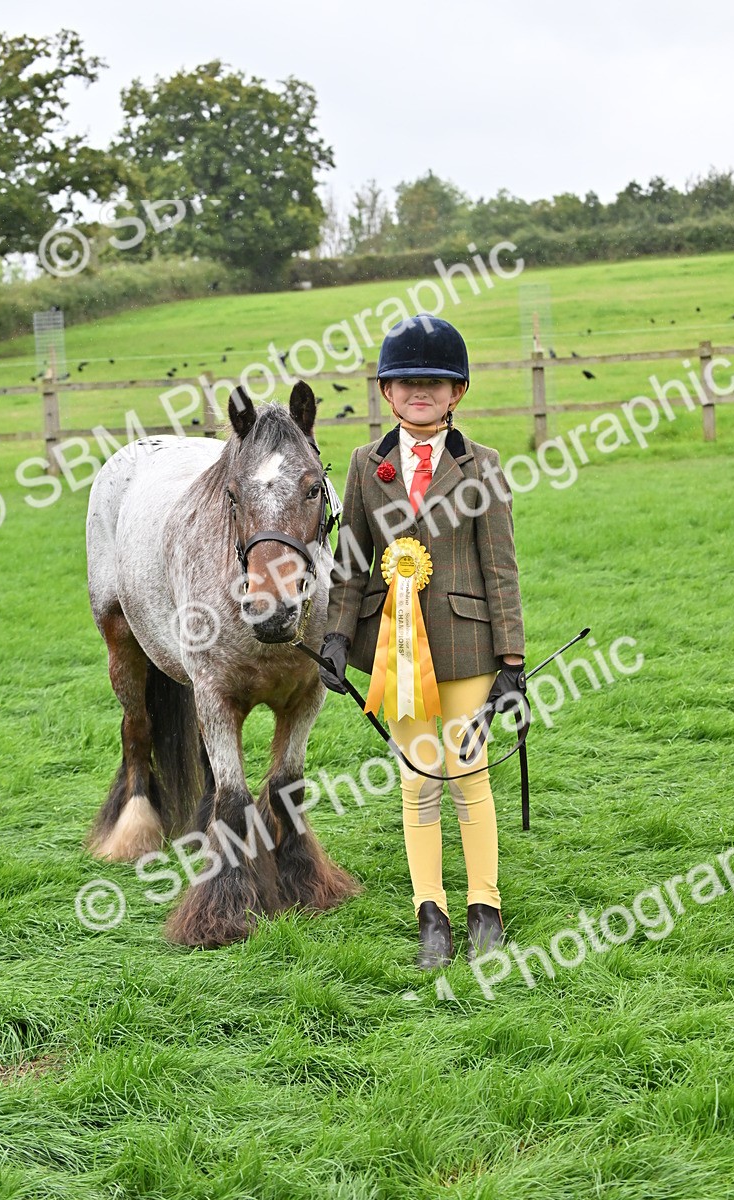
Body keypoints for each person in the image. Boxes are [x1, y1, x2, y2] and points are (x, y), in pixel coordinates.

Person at [318, 313, 527, 969]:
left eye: (435, 383)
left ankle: (484, 907)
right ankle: (430, 912)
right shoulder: (363, 466)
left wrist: (513, 660)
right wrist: (333, 638)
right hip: (397, 652)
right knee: (418, 783)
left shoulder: (482, 465)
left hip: (468, 646)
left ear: (457, 392)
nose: (420, 393)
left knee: (467, 775)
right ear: (386, 391)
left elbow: (501, 566)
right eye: (406, 382)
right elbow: (351, 561)